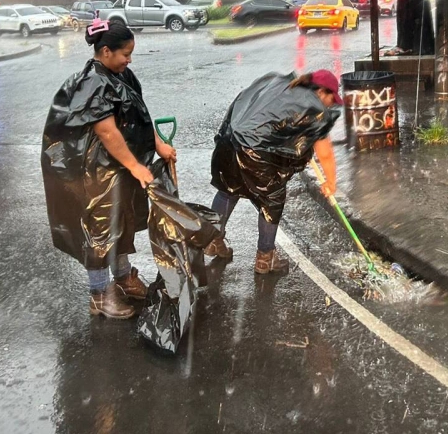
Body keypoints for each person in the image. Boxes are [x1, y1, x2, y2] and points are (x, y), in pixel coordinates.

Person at [41, 19, 177, 319]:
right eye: (125, 53)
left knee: (122, 222)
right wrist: (135, 166)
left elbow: (140, 114)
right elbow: (107, 132)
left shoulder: (121, 74)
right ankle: (100, 295)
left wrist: (157, 145)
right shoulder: (92, 82)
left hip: (118, 167)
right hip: (97, 170)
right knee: (101, 230)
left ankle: (124, 276)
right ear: (105, 51)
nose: (129, 59)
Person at [208, 70, 342, 274]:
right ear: (322, 92)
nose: (331, 104)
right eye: (332, 98)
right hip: (256, 151)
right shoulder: (314, 109)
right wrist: (331, 182)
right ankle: (266, 257)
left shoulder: (280, 84)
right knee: (272, 200)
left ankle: (212, 240)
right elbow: (325, 154)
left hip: (229, 140)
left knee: (229, 188)